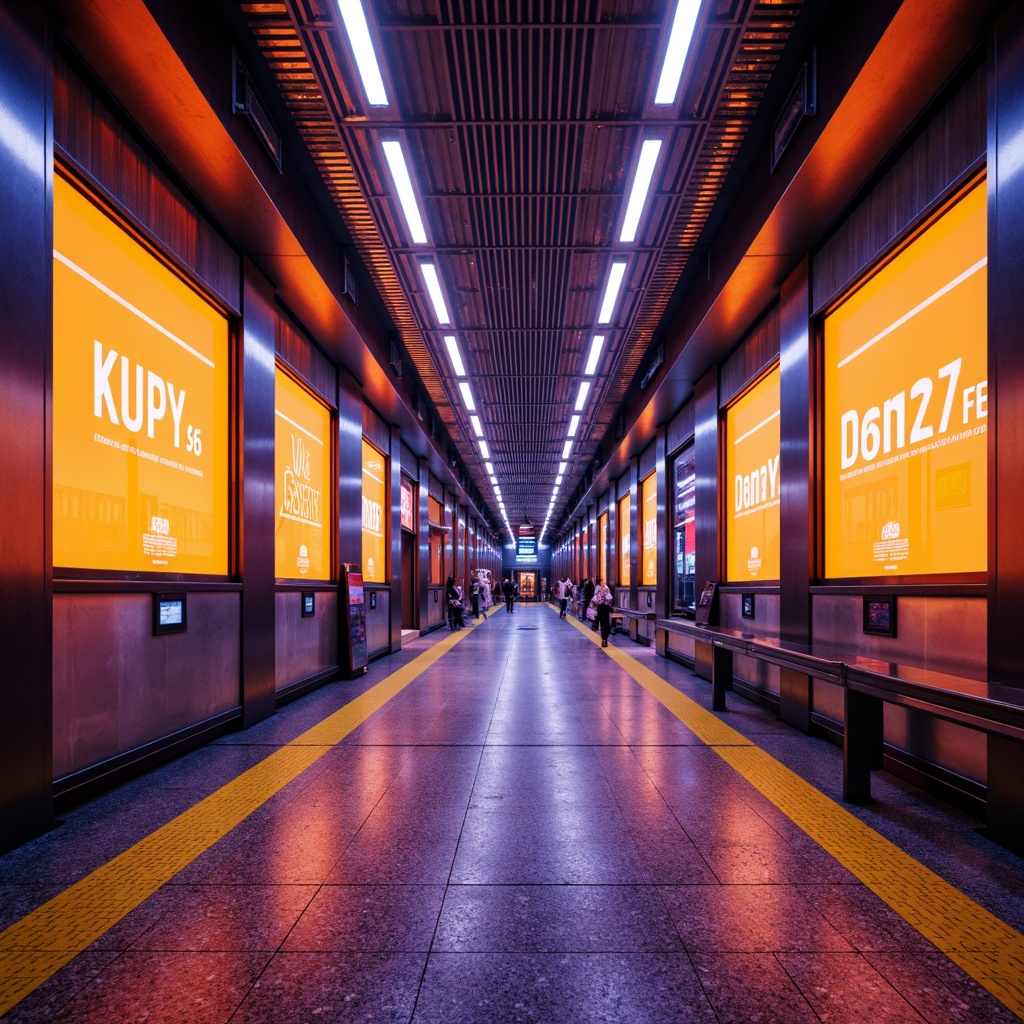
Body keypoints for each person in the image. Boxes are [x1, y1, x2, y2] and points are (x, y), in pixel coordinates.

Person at [593, 577, 614, 647]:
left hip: (605, 607)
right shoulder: (598, 588)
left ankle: (604, 638)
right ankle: (604, 639)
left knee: (606, 624)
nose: (604, 582)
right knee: (603, 623)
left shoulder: (606, 588)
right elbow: (595, 598)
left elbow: (609, 598)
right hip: (601, 607)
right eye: (602, 581)